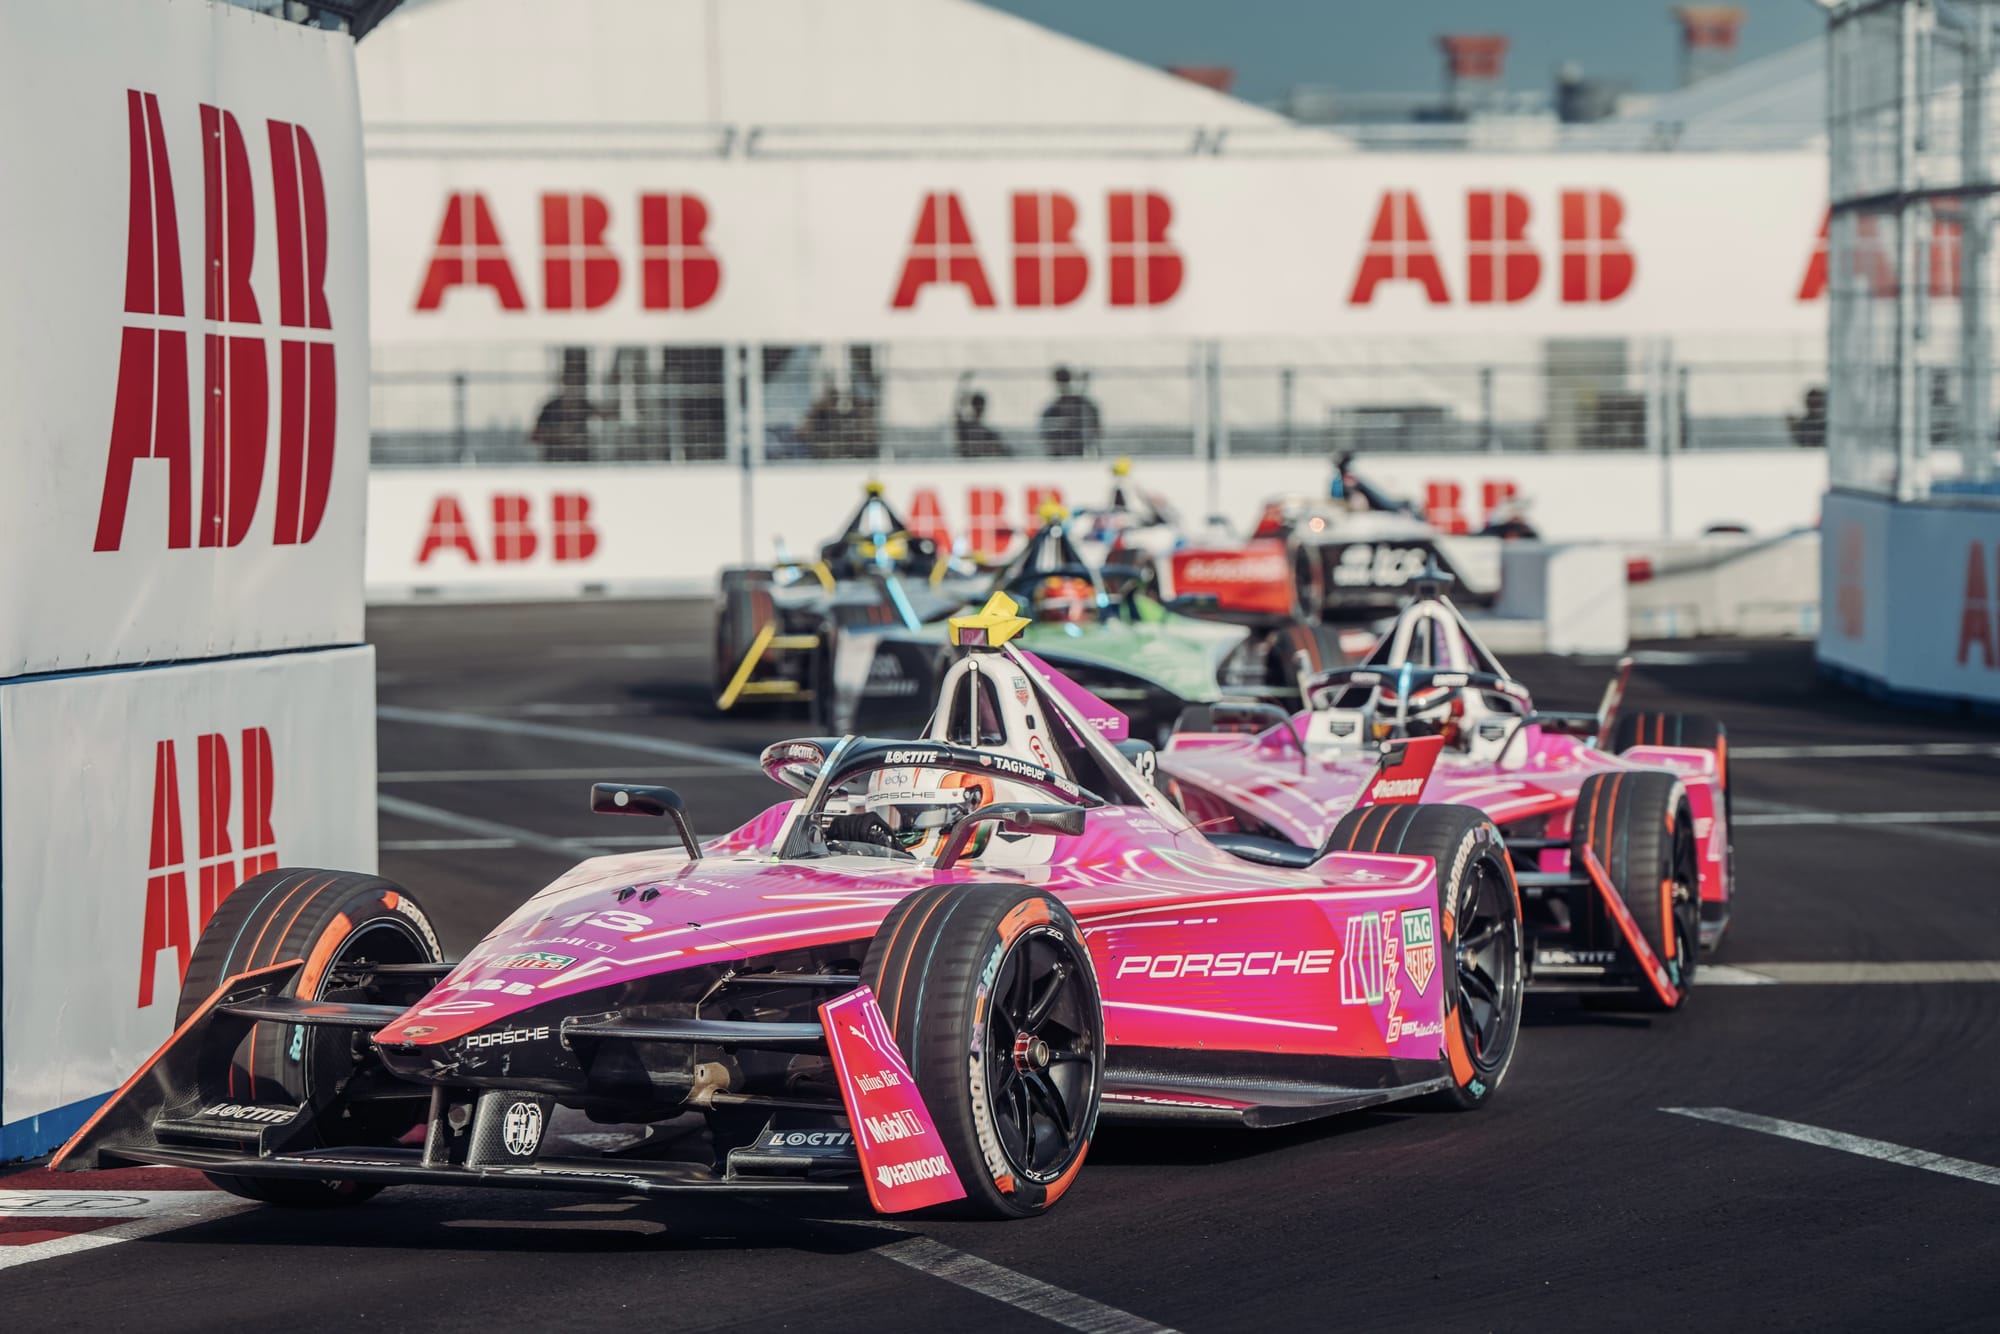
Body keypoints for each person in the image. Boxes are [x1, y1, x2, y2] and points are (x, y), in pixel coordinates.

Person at [530, 351, 609, 463]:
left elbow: (606, 414)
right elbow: (534, 436)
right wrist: (558, 434)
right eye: (570, 380)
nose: (574, 384)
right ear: (563, 381)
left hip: (580, 463)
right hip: (555, 463)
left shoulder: (584, 405)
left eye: (578, 381)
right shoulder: (550, 407)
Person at [1038, 365, 1101, 457]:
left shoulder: (1087, 408)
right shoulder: (1051, 410)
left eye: (1065, 380)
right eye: (1061, 381)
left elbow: (1095, 431)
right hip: (1060, 457)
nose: (1064, 385)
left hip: (1083, 455)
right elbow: (1046, 434)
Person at [955, 389, 1008, 458]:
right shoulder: (965, 427)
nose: (981, 409)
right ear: (973, 406)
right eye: (978, 406)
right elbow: (957, 412)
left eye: (982, 406)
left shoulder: (988, 433)